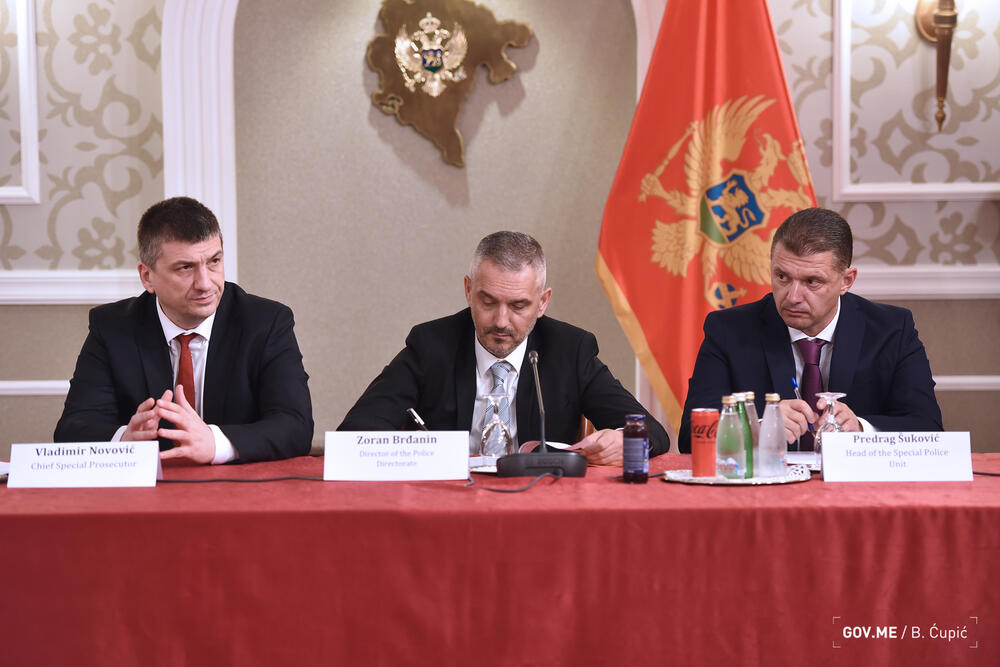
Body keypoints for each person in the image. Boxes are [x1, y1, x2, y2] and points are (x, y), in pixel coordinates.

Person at [338, 231, 668, 464]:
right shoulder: (431, 345)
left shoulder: (570, 350)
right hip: (447, 505)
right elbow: (355, 433)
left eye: (519, 306)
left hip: (541, 509)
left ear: (543, 302)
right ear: (468, 291)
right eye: (488, 302)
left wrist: (627, 441)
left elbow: (653, 432)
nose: (501, 321)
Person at [54, 196, 313, 463]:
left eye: (214, 261)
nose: (205, 283)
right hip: (151, 486)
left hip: (236, 484)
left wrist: (215, 443)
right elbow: (72, 429)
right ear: (147, 277)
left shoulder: (266, 323)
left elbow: (296, 427)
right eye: (186, 268)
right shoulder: (112, 328)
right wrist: (123, 440)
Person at [678, 207, 942, 453]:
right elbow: (690, 438)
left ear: (846, 280)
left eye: (812, 281)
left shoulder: (891, 330)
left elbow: (928, 428)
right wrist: (756, 429)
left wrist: (861, 430)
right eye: (782, 277)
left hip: (853, 485)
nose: (792, 297)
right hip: (768, 483)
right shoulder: (728, 330)